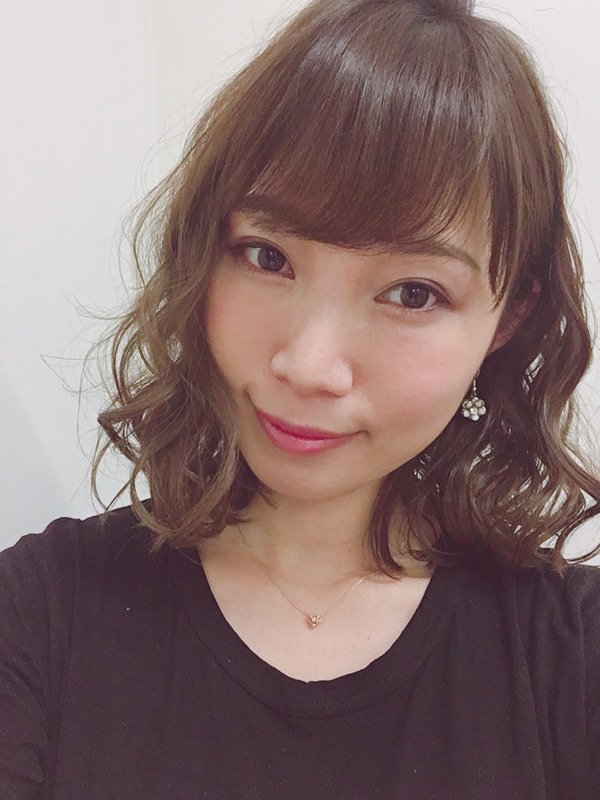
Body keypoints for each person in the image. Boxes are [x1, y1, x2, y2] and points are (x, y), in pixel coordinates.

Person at [2, 0, 600, 796]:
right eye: (267, 256)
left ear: (506, 322)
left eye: (414, 293)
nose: (310, 366)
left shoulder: (572, 656)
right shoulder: (41, 613)